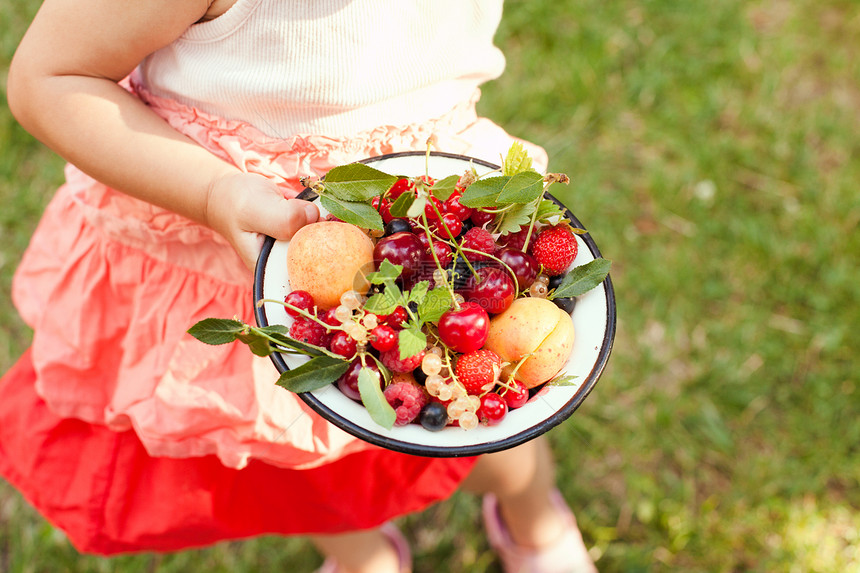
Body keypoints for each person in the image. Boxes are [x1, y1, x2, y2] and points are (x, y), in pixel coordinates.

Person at [1, 1, 597, 572]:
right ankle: (368, 556)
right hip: (239, 249)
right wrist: (214, 194)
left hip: (440, 232)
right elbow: (50, 77)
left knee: (491, 392)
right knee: (288, 452)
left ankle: (534, 520)